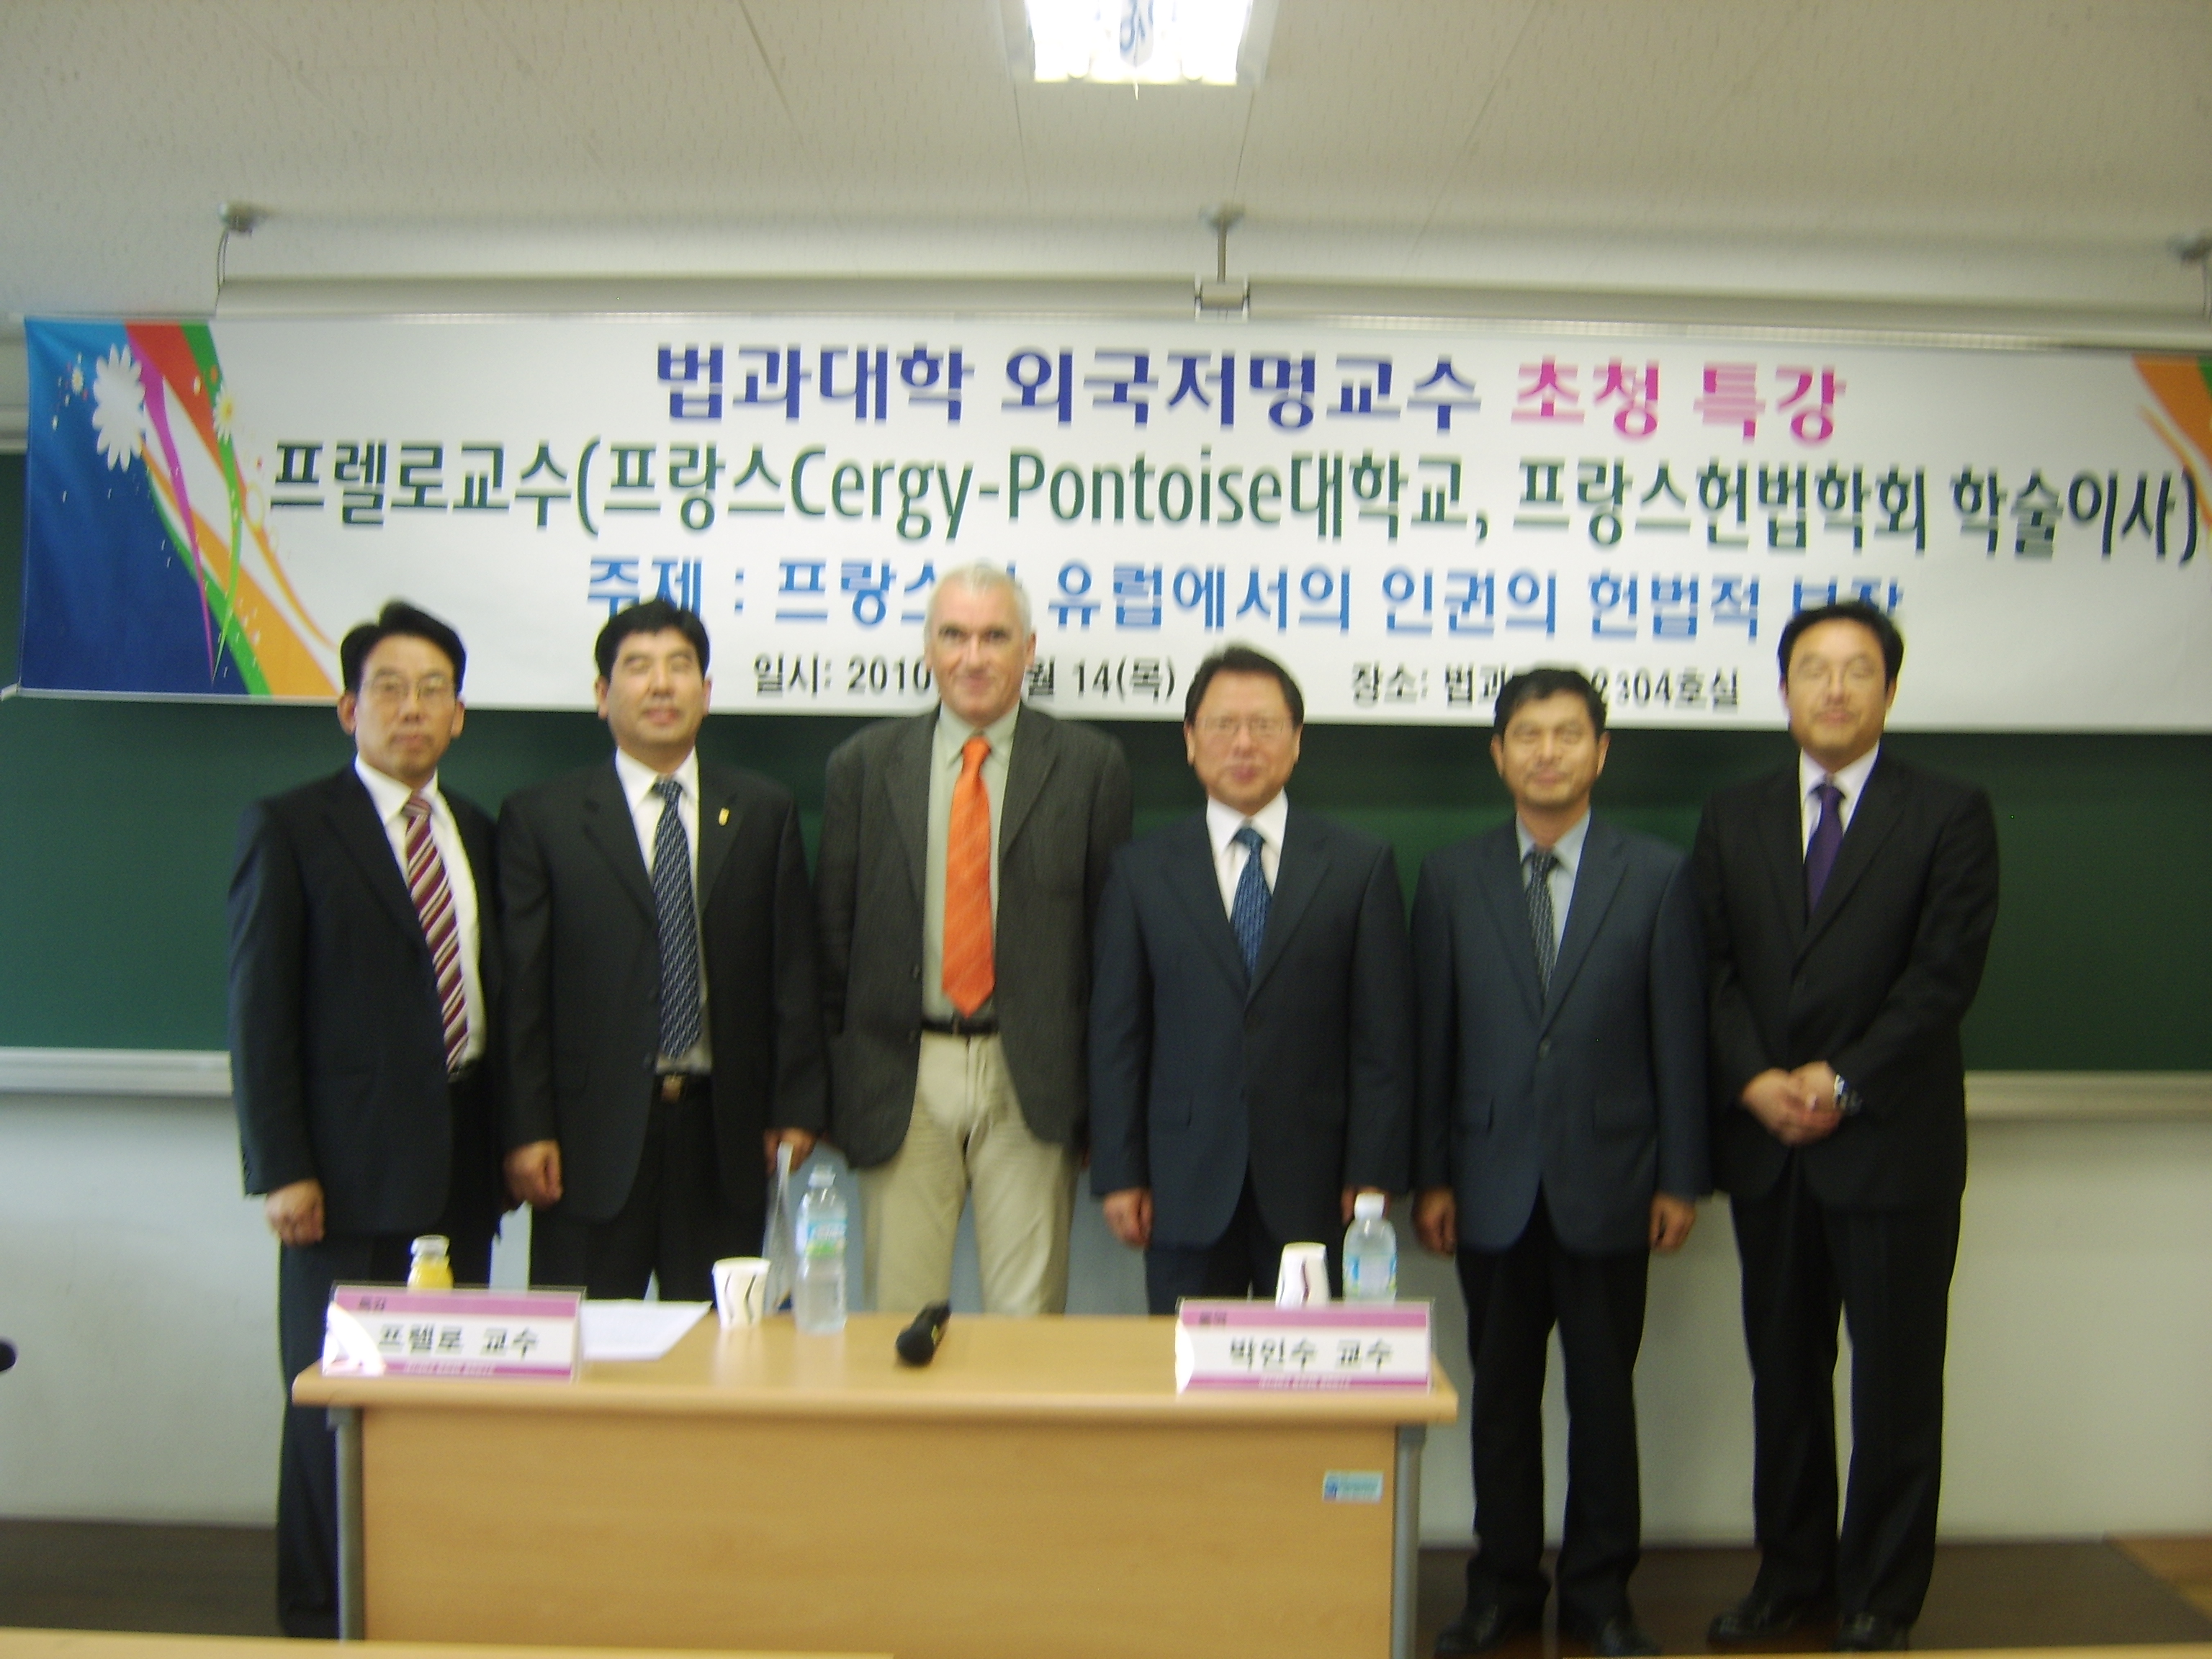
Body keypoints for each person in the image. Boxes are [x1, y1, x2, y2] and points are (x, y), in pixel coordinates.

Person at [1696, 601, 2000, 1653]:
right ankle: (1792, 1577)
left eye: (1857, 669)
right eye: (1813, 670)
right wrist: (1755, 1081)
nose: (1833, 689)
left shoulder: (1949, 813)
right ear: (1783, 690)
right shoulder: (1732, 815)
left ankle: (1883, 1593)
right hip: (1770, 1149)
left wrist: (1843, 1079)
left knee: (1895, 1384)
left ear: (1890, 689)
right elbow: (1711, 969)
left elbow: (1944, 976)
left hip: (1892, 1147)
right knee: (1784, 1379)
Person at [1411, 667, 1709, 1658]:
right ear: (1499, 755)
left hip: (1614, 1181)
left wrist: (1681, 1177)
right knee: (1499, 1400)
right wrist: (1432, 1176)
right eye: (1528, 736)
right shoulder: (1449, 878)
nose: (1548, 752)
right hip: (1486, 1183)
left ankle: (1599, 1594)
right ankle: (1501, 1587)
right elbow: (1432, 1038)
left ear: (1601, 751)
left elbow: (1680, 1038)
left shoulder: (1657, 875)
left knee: (1603, 1399)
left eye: (1568, 734)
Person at [228, 601, 507, 1637]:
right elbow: (258, 1013)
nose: (411, 708)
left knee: (445, 1393)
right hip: (339, 1178)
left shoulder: (477, 830)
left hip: (460, 1165)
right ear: (348, 709)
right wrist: (281, 1168)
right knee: (333, 1401)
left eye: (433, 690)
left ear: (460, 714)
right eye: (388, 688)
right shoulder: (292, 826)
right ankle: (317, 1615)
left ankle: (422, 1599)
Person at [816, 564, 1131, 1316]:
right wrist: (833, 1088)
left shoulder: (1090, 766)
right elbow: (832, 937)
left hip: (1035, 1078)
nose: (974, 657)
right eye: (954, 636)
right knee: (899, 1318)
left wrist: (1102, 1105)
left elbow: (1110, 950)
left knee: (1028, 1325)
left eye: (995, 637)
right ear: (928, 648)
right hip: (902, 1071)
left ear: (1029, 649)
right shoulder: (863, 765)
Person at [500, 600, 826, 1300]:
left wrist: (795, 1107)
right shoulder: (542, 817)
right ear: (602, 694)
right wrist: (526, 1128)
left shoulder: (763, 810)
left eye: (680, 667)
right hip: (587, 1140)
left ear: (705, 693)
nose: (660, 685)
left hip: (724, 1134)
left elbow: (792, 973)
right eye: (638, 667)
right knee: (588, 1347)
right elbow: (522, 992)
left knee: (722, 1345)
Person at [1089, 645, 1413, 1312]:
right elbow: (1118, 1036)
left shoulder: (1359, 866)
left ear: (1296, 740)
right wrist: (1120, 1172)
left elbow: (1383, 1040)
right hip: (1181, 1183)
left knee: (1308, 1369)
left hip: (1317, 1187)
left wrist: (1373, 1170)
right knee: (1187, 1370)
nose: (1243, 743)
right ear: (1190, 740)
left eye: (1264, 725)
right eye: (1222, 725)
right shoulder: (1140, 871)